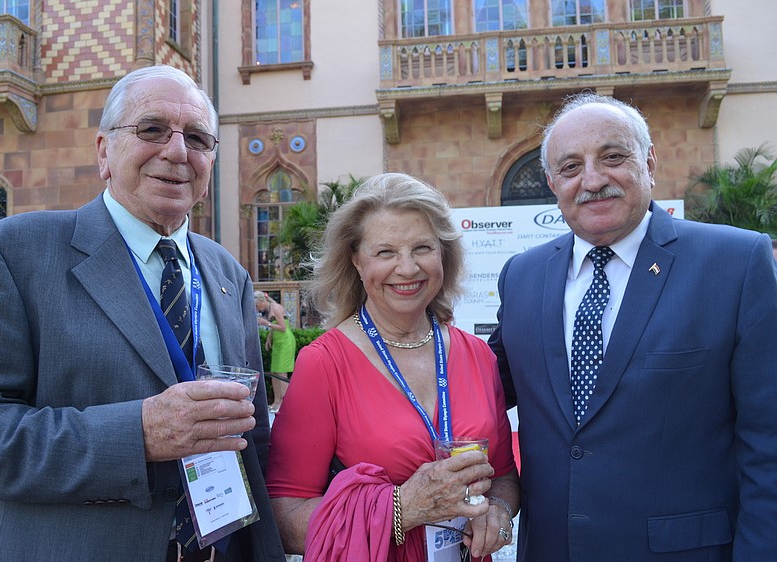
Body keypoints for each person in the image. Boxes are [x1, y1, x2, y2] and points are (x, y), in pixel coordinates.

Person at [0, 65, 285, 562]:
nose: (178, 151)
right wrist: (135, 434)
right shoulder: (13, 254)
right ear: (103, 152)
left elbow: (254, 440)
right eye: (152, 129)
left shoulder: (229, 274)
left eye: (198, 139)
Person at [489, 92, 777, 561]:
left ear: (649, 162)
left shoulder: (736, 263)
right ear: (551, 182)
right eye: (570, 167)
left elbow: (768, 442)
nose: (593, 180)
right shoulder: (522, 275)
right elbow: (480, 391)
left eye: (613, 157)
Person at [267, 173, 519, 561]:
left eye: (422, 248)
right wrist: (404, 507)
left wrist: (498, 513)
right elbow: (284, 518)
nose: (407, 268)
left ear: (443, 255)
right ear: (355, 259)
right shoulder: (324, 363)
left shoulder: (478, 355)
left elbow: (503, 476)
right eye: (385, 252)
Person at [254, 291, 295, 412]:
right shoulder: (269, 308)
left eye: (257, 306)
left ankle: (285, 403)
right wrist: (269, 338)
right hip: (278, 342)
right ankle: (276, 402)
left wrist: (265, 323)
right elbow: (274, 326)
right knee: (274, 372)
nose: (257, 308)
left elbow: (283, 327)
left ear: (262, 301)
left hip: (285, 341)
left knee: (282, 373)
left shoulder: (275, 308)